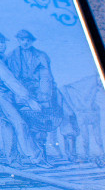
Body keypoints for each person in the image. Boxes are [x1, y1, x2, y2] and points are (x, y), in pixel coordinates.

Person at [0, 31, 46, 167]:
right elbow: (8, 79)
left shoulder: (1, 56)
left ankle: (13, 161)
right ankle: (37, 158)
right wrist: (28, 99)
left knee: (8, 125)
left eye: (3, 42)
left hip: (2, 94)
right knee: (20, 123)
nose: (2, 45)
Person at [6, 29, 63, 160]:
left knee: (44, 121)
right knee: (24, 124)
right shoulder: (11, 56)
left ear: (31, 41)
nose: (25, 42)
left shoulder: (41, 56)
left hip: (40, 92)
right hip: (20, 93)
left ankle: (42, 154)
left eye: (27, 40)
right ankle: (30, 155)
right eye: (22, 40)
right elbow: (11, 79)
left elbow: (46, 76)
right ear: (18, 41)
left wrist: (44, 94)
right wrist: (23, 95)